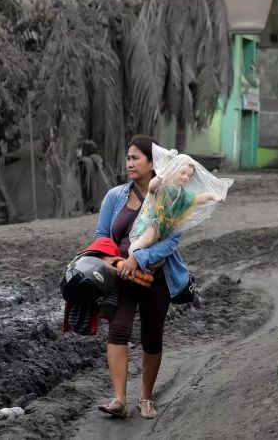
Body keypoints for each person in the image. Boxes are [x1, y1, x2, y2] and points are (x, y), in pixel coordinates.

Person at [91, 135, 191, 420]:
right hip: (120, 275)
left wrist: (139, 259)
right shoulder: (115, 196)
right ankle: (119, 400)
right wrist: (115, 261)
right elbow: (101, 236)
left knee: (151, 336)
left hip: (156, 277)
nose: (129, 163)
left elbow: (172, 242)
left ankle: (145, 399)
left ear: (153, 162)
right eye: (128, 157)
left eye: (135, 158)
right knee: (118, 330)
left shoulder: (172, 196)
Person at [127, 151, 231, 257]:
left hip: (165, 229)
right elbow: (152, 187)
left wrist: (212, 196)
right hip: (153, 224)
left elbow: (197, 199)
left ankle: (142, 265)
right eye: (182, 173)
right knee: (144, 242)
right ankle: (131, 256)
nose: (186, 177)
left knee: (156, 251)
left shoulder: (182, 194)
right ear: (173, 171)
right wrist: (158, 179)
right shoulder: (163, 186)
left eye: (189, 175)